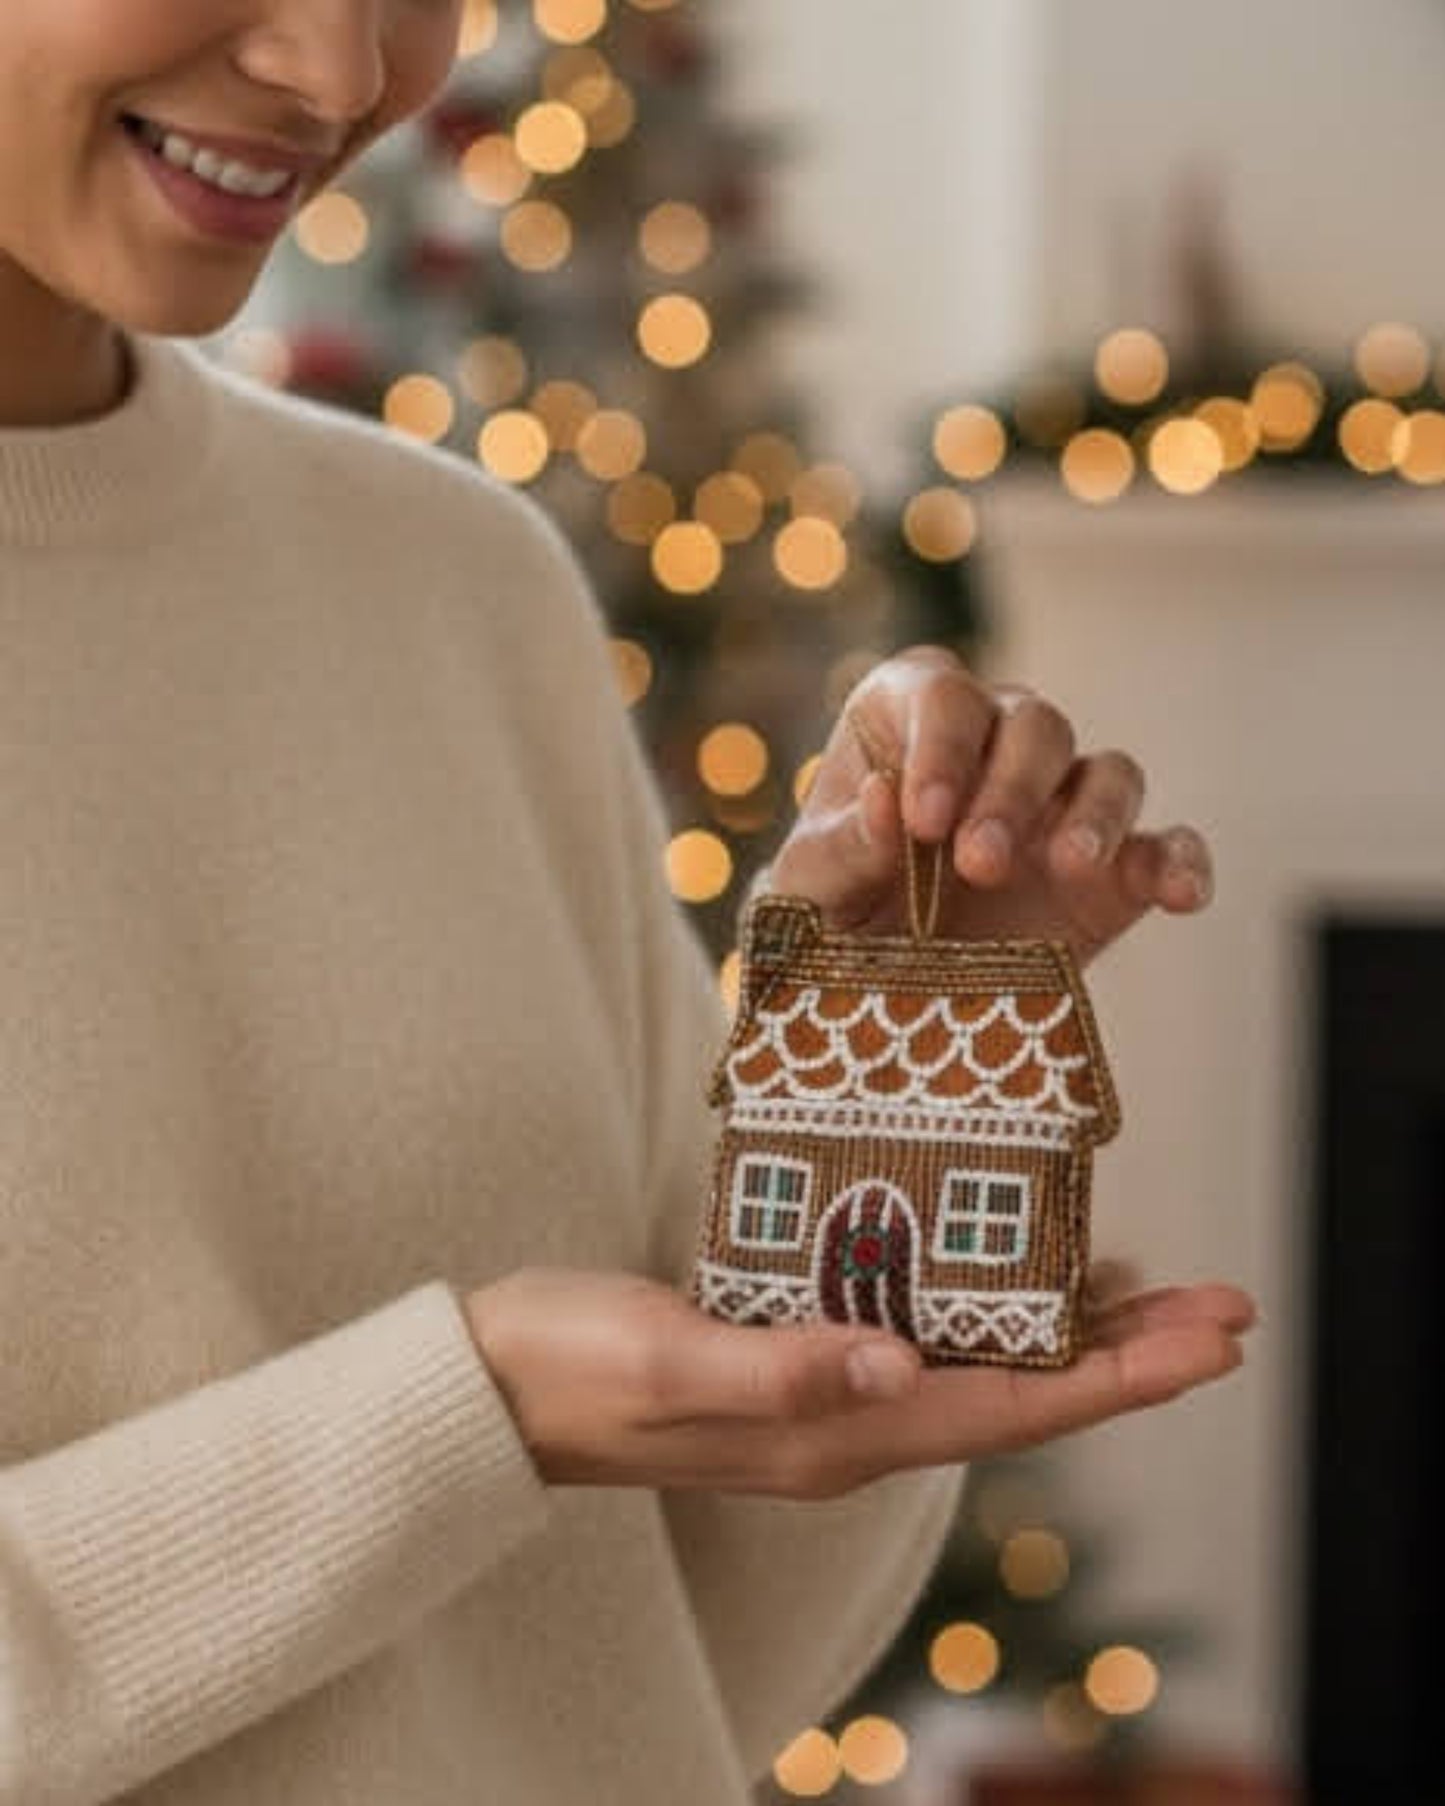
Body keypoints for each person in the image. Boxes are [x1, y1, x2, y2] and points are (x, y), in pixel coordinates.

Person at [0, 4, 1255, 1802]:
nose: (339, 77)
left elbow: (666, 1664)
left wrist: (873, 1114)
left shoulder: (447, 580)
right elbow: (499, 1439)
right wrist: (469, 1414)